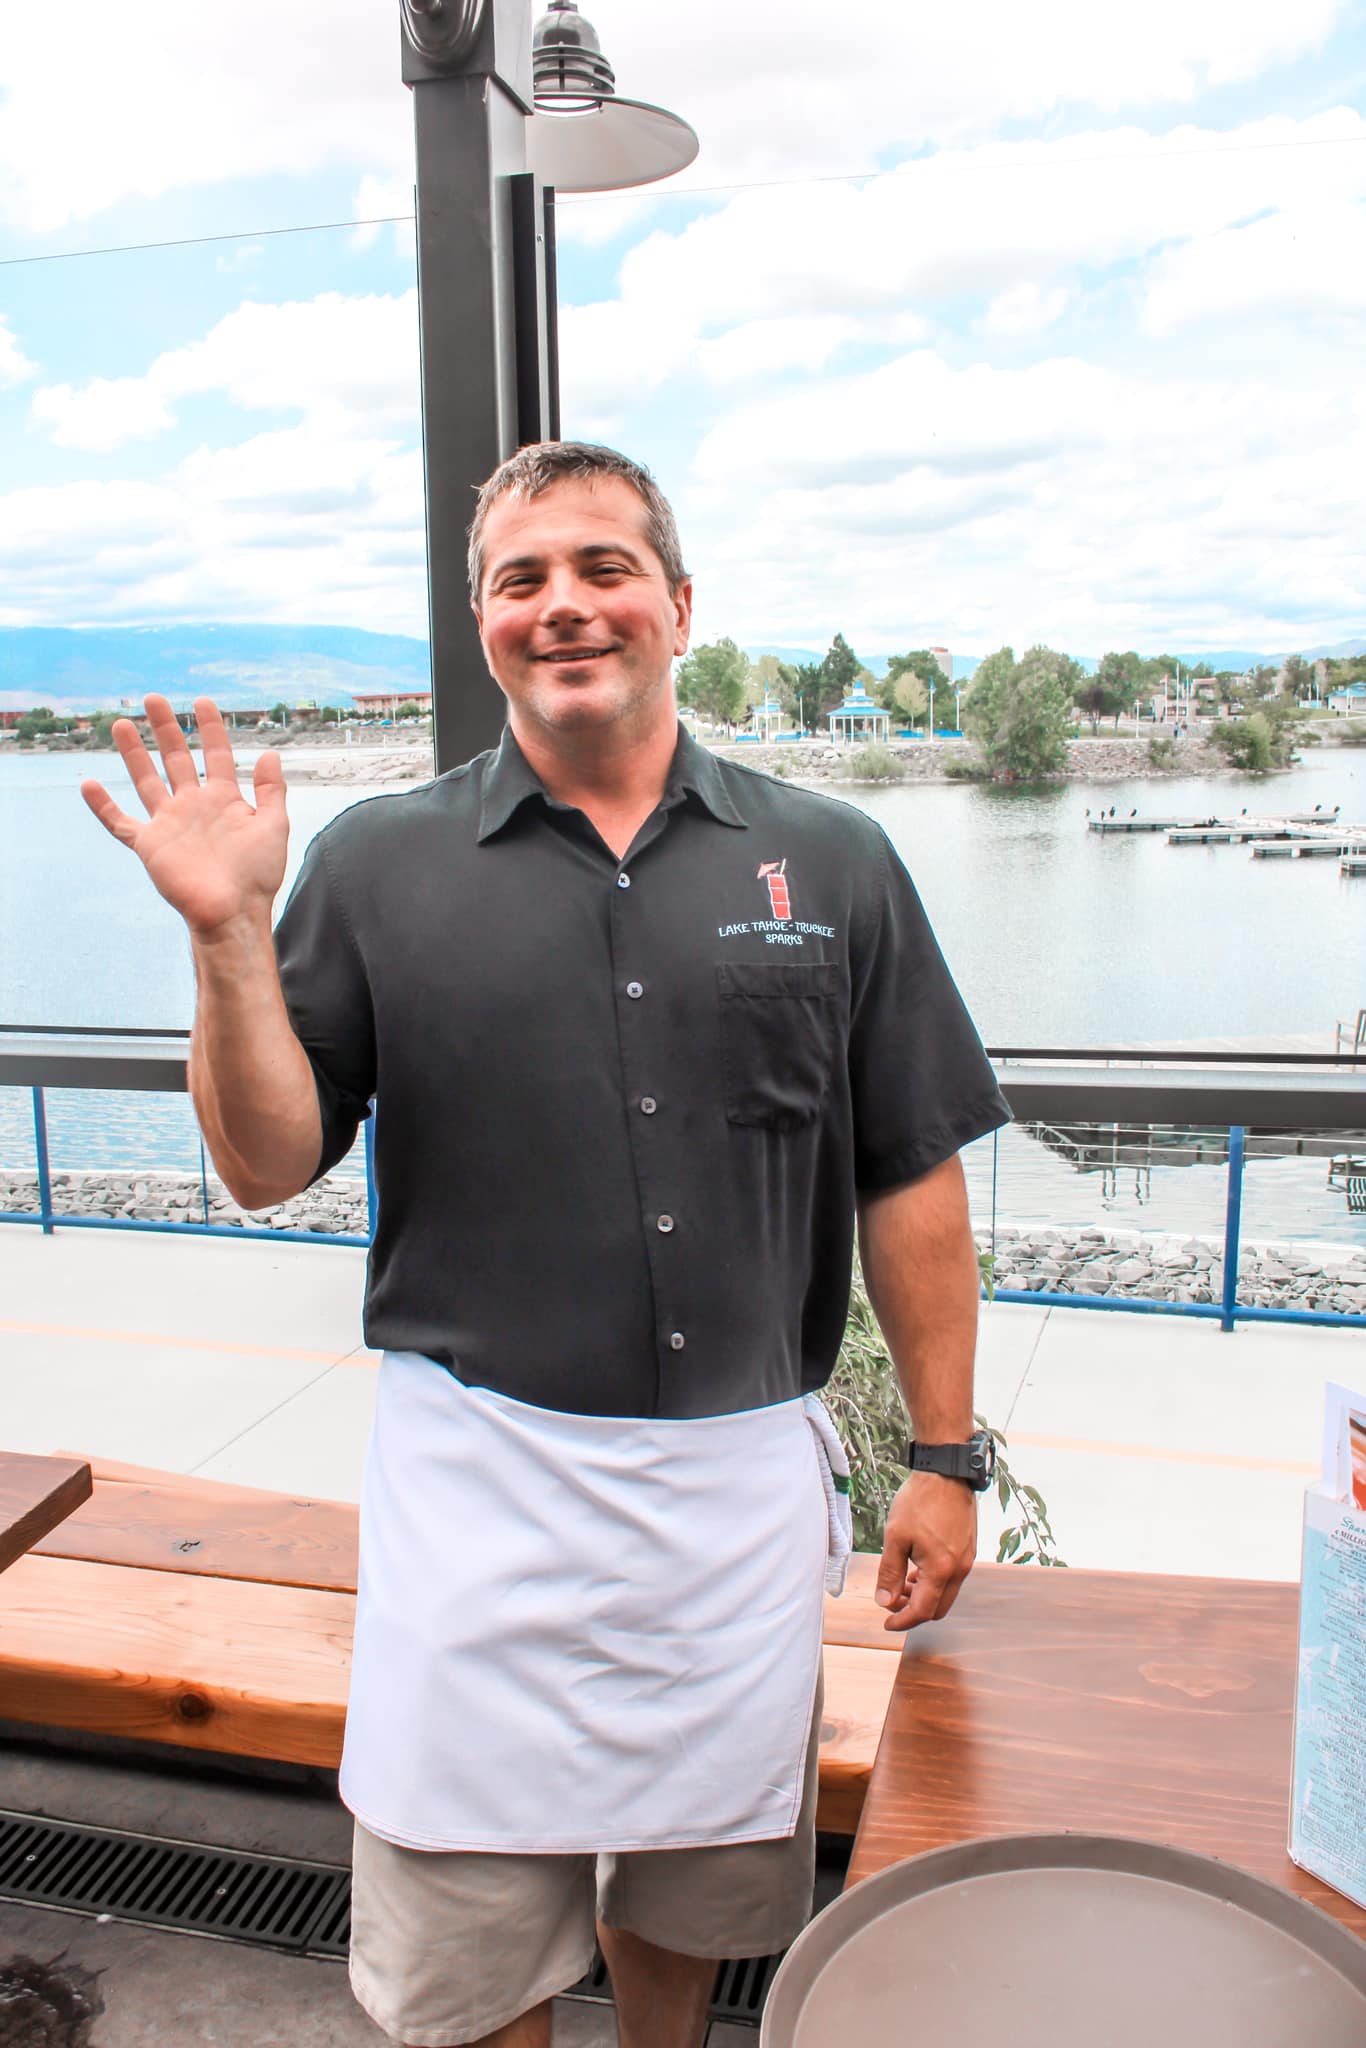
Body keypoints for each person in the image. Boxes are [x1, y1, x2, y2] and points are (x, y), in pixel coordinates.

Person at [83, 442, 1010, 2048]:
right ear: (482, 623)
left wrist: (942, 1456)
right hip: (479, 1493)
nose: (563, 605)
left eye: (602, 568)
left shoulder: (834, 860)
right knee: (471, 1943)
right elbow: (263, 1163)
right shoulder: (377, 864)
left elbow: (906, 1171)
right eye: (521, 580)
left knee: (692, 1898)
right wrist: (227, 936)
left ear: (678, 606)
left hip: (732, 1503)